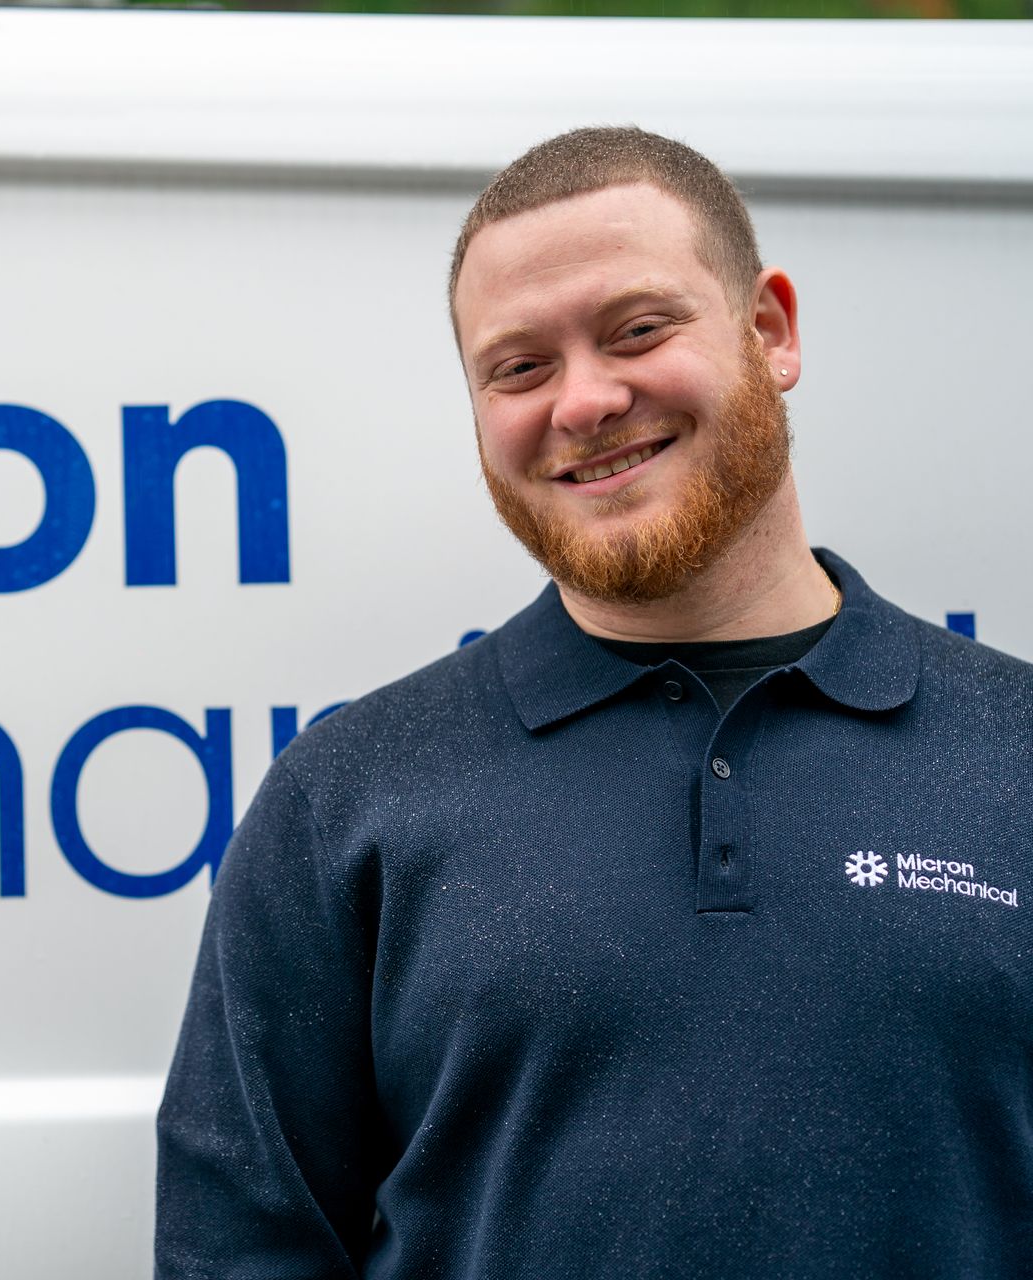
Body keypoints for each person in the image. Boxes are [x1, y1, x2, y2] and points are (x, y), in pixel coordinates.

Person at [154, 126, 1033, 1278]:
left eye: (637, 329)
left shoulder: (1010, 751)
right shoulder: (345, 800)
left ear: (769, 331)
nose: (585, 400)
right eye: (519, 366)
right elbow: (241, 1254)